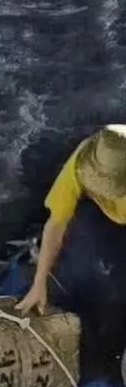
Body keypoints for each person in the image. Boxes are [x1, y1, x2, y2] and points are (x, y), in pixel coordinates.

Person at [19, 124, 126, 373]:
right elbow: (56, 224)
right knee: (78, 255)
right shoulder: (85, 159)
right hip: (99, 215)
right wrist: (39, 283)